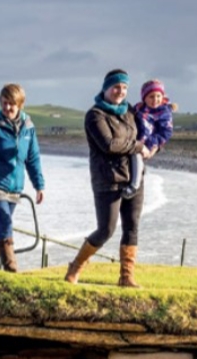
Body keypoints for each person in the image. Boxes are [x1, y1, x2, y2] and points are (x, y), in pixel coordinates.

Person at [66, 69, 145, 288]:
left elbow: (145, 129)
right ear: (106, 88)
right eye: (116, 87)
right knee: (106, 229)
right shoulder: (95, 115)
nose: (120, 91)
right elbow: (109, 145)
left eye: (124, 87)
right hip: (107, 179)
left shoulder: (129, 111)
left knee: (131, 226)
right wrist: (138, 146)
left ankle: (126, 277)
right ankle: (76, 267)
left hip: (134, 178)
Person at [0, 83, 45, 272]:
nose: (7, 108)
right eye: (4, 103)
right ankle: (11, 270)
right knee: (5, 222)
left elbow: (33, 158)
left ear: (20, 104)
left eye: (11, 104)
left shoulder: (28, 128)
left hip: (15, 187)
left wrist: (39, 185)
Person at [123, 79, 177, 199]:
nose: (155, 100)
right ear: (144, 98)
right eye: (151, 96)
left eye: (158, 96)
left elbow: (166, 132)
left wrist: (153, 143)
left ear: (163, 96)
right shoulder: (139, 108)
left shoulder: (164, 112)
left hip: (149, 142)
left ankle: (134, 186)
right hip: (136, 140)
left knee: (136, 156)